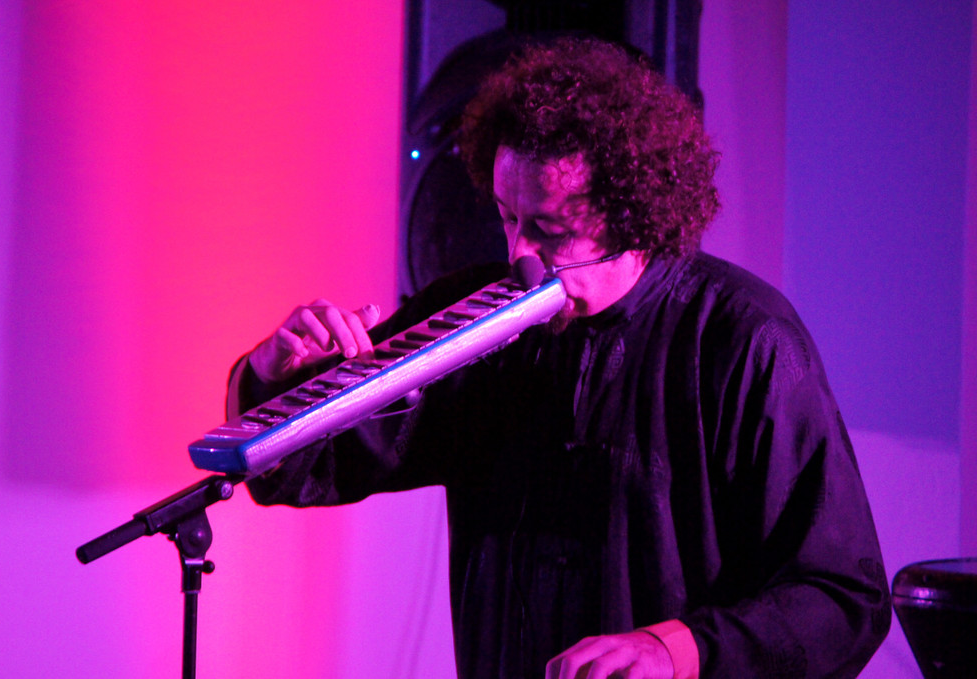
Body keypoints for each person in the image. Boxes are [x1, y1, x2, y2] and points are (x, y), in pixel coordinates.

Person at [227, 37, 891, 679]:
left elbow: (842, 599)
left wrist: (677, 650)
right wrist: (272, 379)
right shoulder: (471, 320)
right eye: (506, 217)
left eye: (549, 230)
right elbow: (304, 468)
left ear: (632, 214)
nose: (519, 253)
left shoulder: (744, 339)